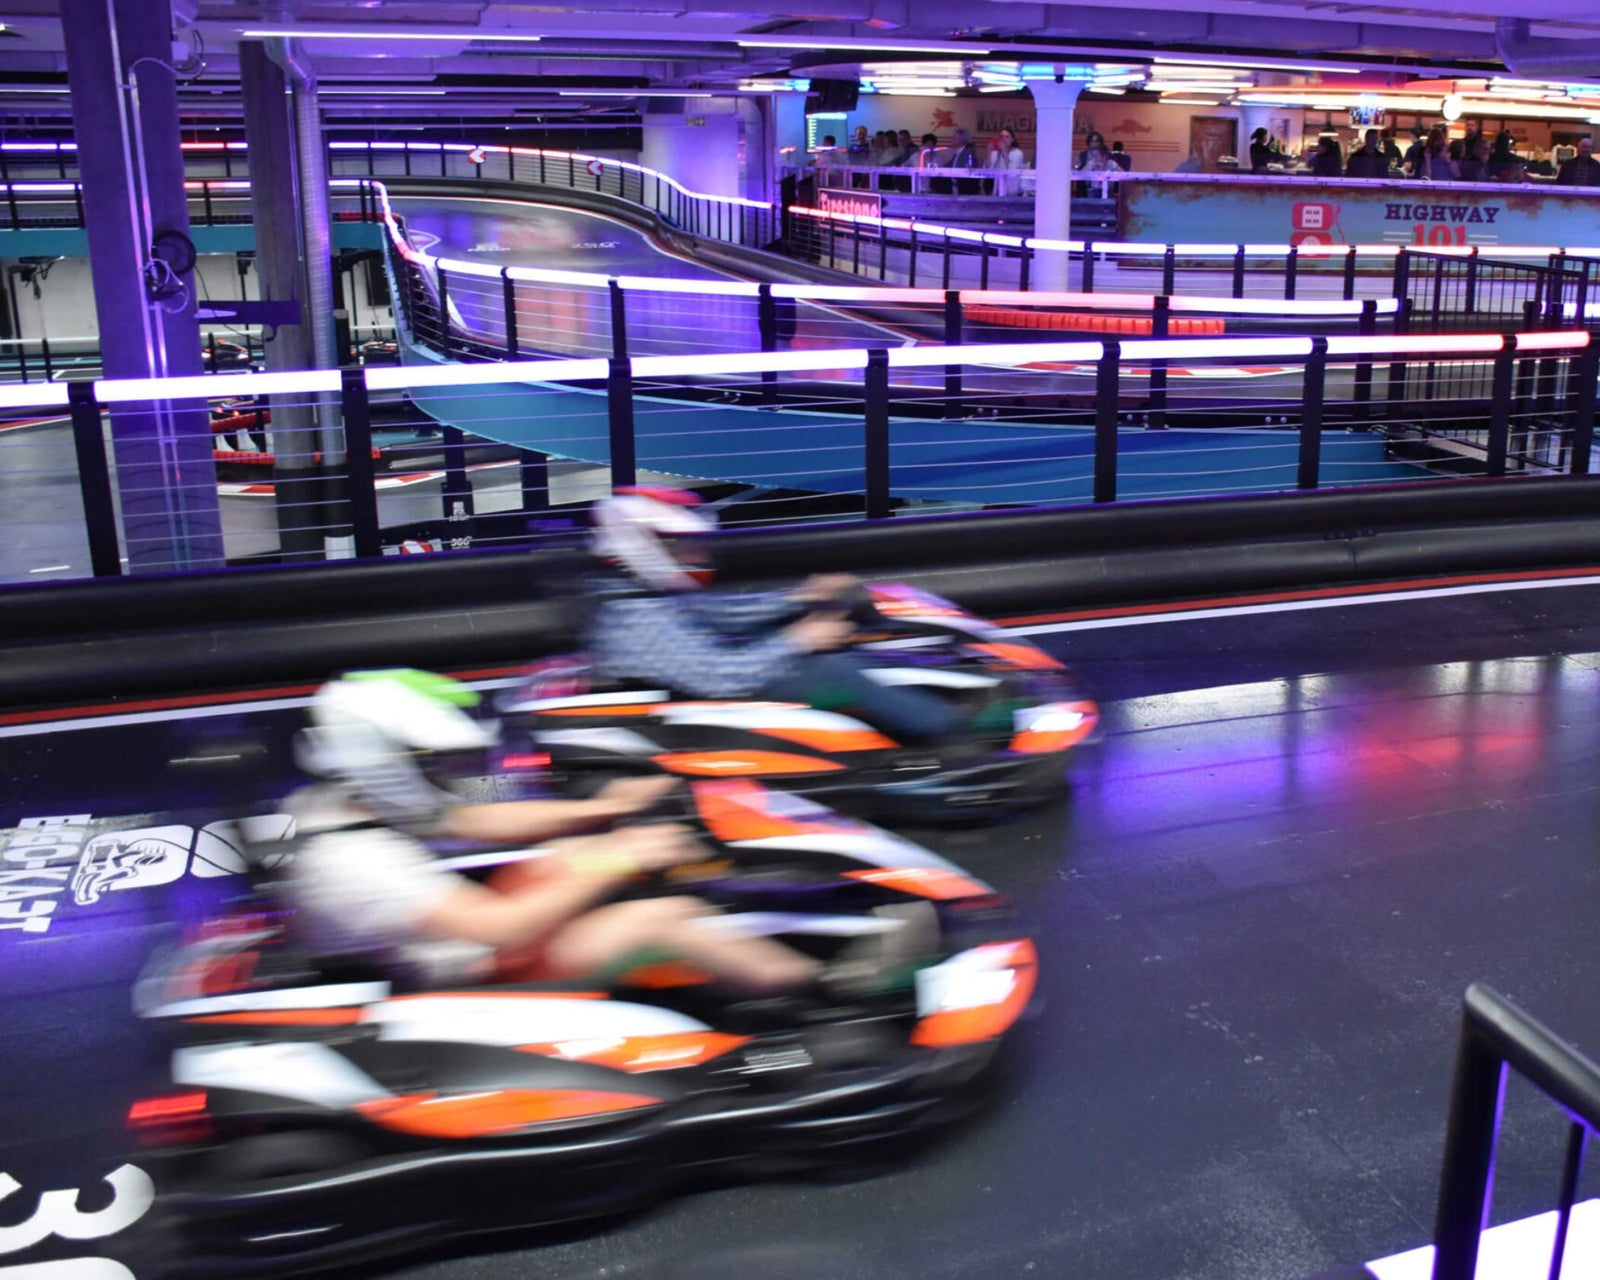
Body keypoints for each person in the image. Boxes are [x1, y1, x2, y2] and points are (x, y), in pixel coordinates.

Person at [284, 668, 931, 998]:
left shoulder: (351, 798)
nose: (450, 776)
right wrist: (615, 859)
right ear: (384, 759)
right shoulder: (352, 866)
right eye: (434, 764)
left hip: (456, 938)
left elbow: (473, 814)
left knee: (577, 852)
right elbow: (499, 929)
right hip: (464, 984)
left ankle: (781, 926)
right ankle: (826, 989)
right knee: (655, 916)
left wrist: (598, 813)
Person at [584, 487, 967, 746]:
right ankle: (948, 734)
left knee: (829, 647)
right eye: (682, 548)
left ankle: (911, 707)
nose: (695, 557)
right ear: (641, 544)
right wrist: (799, 639)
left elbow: (720, 614)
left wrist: (800, 597)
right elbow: (721, 678)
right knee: (830, 671)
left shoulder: (641, 594)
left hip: (705, 686)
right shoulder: (634, 615)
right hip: (703, 709)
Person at [986, 126, 1026, 195]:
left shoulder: (1018, 153)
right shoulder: (995, 154)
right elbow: (988, 170)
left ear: (1012, 139)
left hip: (1012, 190)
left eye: (1007, 137)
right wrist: (988, 153)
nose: (1003, 139)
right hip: (998, 190)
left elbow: (1012, 171)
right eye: (1001, 137)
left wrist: (1004, 152)